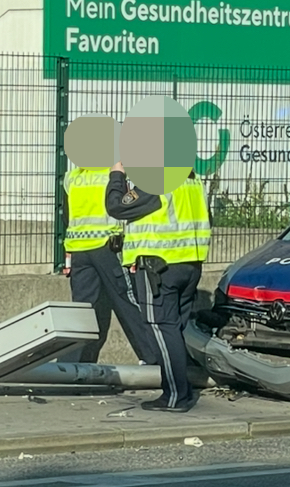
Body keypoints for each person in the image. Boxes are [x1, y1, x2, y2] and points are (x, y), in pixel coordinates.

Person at [105, 163, 210, 413]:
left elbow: (117, 206)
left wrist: (117, 175)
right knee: (178, 328)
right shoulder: (193, 181)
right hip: (189, 264)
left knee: (162, 328)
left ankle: (175, 395)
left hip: (159, 267)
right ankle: (181, 387)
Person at [62, 163, 158, 365]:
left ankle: (74, 365)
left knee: (84, 309)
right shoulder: (114, 172)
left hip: (79, 249)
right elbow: (126, 206)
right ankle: (154, 358)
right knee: (129, 303)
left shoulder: (72, 177)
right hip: (109, 248)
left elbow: (66, 217)